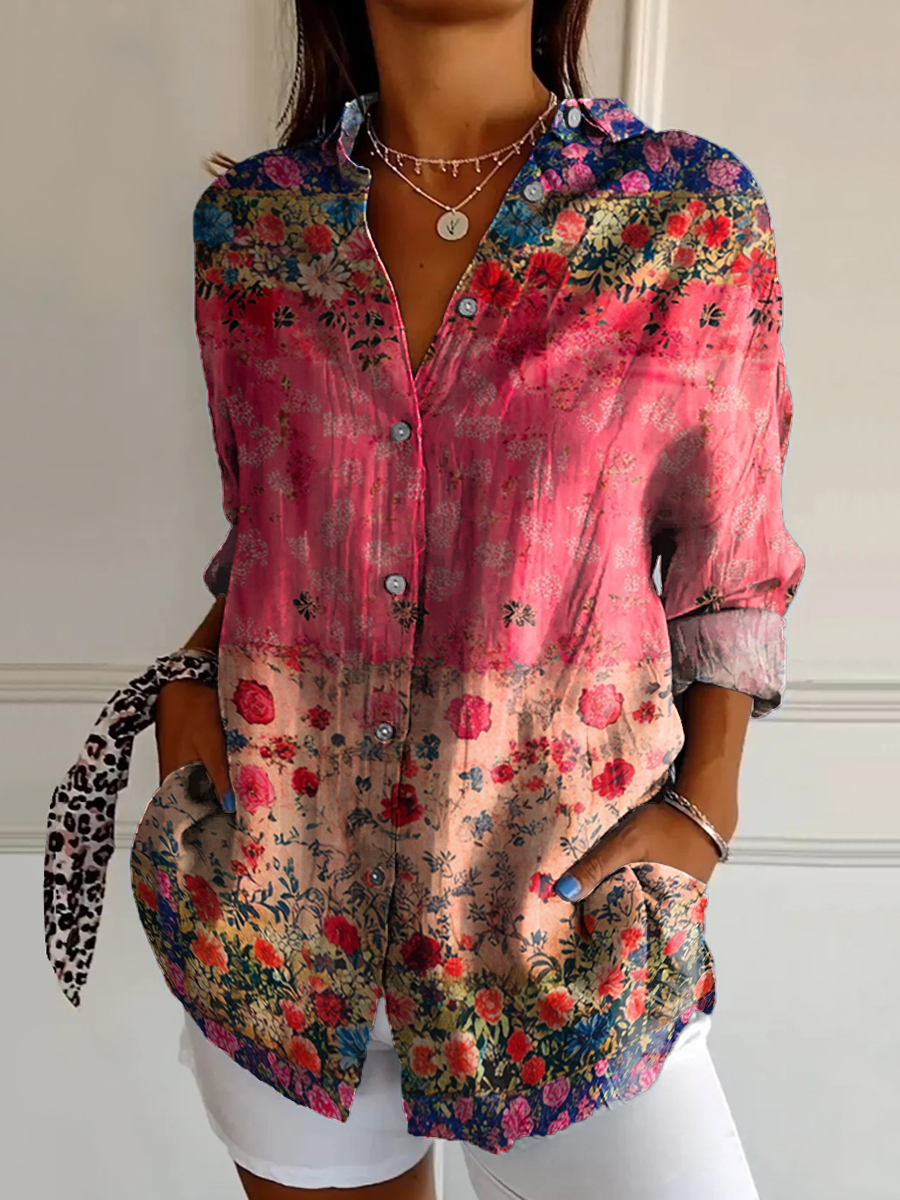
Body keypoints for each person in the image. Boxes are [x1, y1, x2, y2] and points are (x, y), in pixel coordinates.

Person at [44, 1, 804, 1197]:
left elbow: (732, 564)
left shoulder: (685, 216)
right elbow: (274, 530)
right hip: (280, 925)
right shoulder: (251, 229)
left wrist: (705, 815)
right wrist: (189, 698)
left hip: (565, 932)